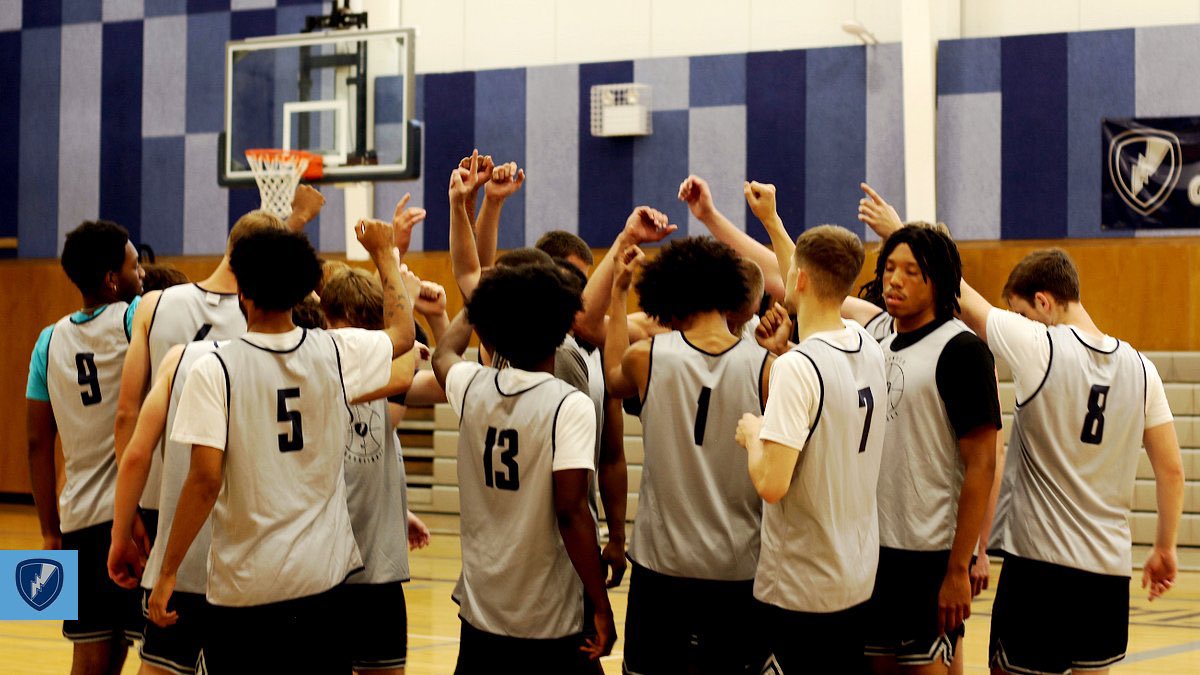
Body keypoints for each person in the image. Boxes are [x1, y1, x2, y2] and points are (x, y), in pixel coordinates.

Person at [146, 220, 416, 672]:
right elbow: (403, 336)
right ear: (299, 291)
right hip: (322, 583)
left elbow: (205, 480)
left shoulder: (214, 369)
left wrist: (169, 570)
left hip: (245, 587)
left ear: (242, 292)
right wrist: (386, 254)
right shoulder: (333, 352)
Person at [949, 248, 1184, 675]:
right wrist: (1165, 547)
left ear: (1043, 302)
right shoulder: (1142, 369)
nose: (1017, 323)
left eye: (1020, 313)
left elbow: (962, 296)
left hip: (1040, 572)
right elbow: (1171, 469)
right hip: (1108, 577)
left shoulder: (1040, 346)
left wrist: (901, 232)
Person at [113, 187, 326, 542]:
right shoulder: (268, 323)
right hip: (235, 499)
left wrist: (128, 505)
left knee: (151, 594)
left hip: (158, 495)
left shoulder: (152, 305)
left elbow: (126, 415)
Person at [432, 263, 615, 674]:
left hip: (481, 612)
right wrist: (600, 603)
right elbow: (571, 511)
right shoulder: (569, 405)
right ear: (564, 325)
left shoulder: (471, 387)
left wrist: (478, 302)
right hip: (549, 618)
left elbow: (443, 353)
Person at [735, 183, 886, 673]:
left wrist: (753, 435)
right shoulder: (867, 343)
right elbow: (804, 277)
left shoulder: (796, 369)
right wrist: (772, 222)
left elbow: (772, 484)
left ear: (795, 280)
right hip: (855, 579)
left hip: (799, 589)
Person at [605, 235, 772, 674]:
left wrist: (619, 292)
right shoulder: (768, 367)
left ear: (669, 293)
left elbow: (610, 373)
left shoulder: (647, 357)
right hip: (739, 567)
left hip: (663, 566)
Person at [858, 226, 1000, 674]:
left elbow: (982, 464)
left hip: (929, 558)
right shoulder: (873, 345)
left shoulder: (962, 351)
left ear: (936, 280)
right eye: (889, 269)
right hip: (871, 553)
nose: (893, 280)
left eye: (910, 271)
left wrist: (961, 567)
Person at [26, 220, 145, 674]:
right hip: (133, 522)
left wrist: (49, 531)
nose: (143, 275)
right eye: (135, 266)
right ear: (113, 279)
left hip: (76, 521)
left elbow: (38, 443)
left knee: (91, 654)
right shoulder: (135, 318)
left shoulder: (47, 341)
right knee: (155, 653)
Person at [321, 265, 433, 675]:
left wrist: (396, 507)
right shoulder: (319, 367)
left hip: (377, 570)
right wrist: (396, 277)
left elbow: (447, 380)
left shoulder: (386, 373)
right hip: (326, 571)